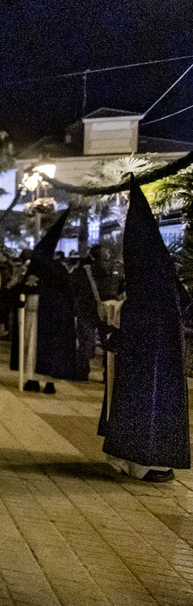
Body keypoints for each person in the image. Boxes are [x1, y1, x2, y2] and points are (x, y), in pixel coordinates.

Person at [99, 182, 190, 482]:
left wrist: (119, 320)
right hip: (151, 357)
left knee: (142, 404)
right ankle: (139, 461)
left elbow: (141, 313)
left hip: (147, 356)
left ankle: (138, 461)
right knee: (144, 405)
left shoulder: (149, 279)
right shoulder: (160, 277)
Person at [16, 210, 83, 393]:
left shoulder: (57, 270)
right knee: (31, 349)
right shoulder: (37, 269)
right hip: (34, 316)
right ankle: (32, 378)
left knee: (49, 350)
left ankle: (49, 381)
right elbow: (24, 288)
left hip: (51, 320)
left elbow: (65, 294)